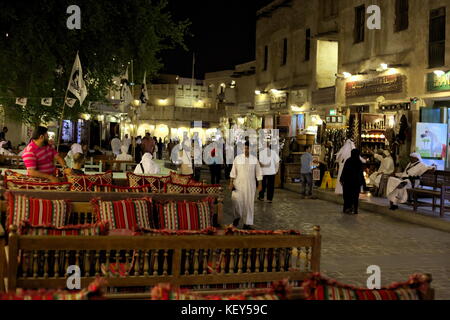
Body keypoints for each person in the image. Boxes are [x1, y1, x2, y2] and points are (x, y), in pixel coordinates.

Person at [229, 141, 263, 230]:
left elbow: (258, 172)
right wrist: (231, 183)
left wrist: (260, 184)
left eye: (248, 148)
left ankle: (247, 224)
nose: (246, 150)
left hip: (250, 185)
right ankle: (237, 217)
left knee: (249, 204)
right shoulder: (237, 159)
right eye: (244, 148)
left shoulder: (254, 159)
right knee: (237, 202)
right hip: (238, 185)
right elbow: (233, 172)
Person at [340, 149, 365, 214]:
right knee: (355, 196)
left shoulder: (348, 161)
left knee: (347, 196)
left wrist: (342, 179)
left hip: (348, 182)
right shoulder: (359, 162)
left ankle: (347, 208)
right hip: (356, 183)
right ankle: (354, 209)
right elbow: (361, 173)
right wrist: (362, 182)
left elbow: (344, 171)